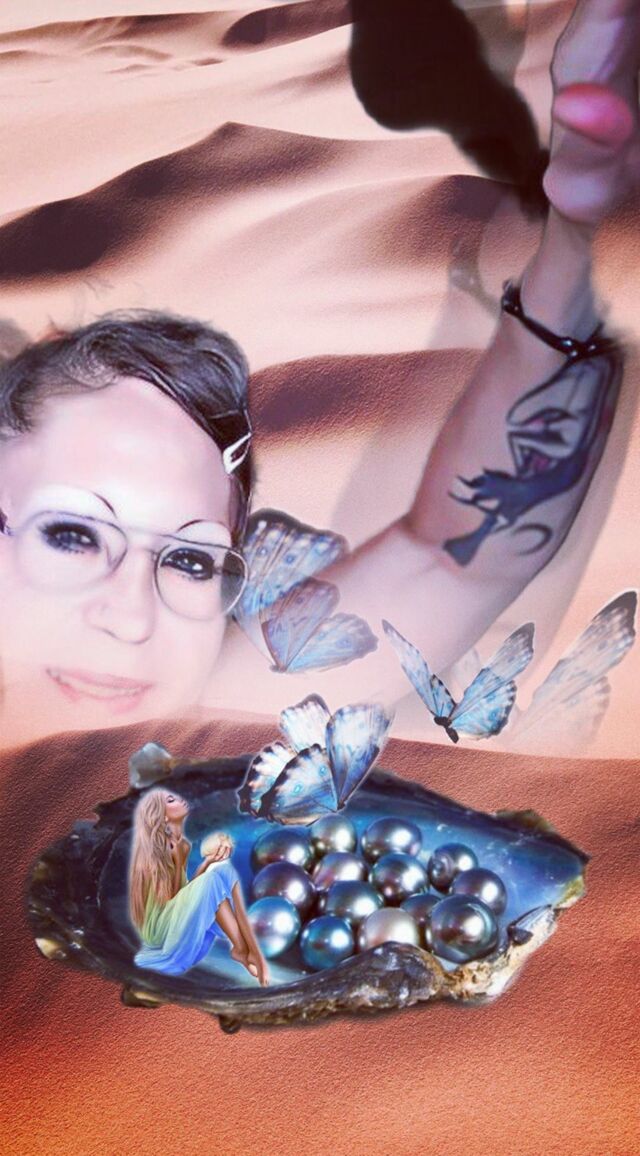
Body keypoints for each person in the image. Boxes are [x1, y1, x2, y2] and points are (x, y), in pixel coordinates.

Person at [0, 0, 637, 747]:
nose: (133, 618)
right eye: (72, 535)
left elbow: (454, 556)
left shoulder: (200, 712)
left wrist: (579, 218)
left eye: (192, 560)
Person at [129, 787, 269, 984]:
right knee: (212, 880)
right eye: (171, 801)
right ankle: (241, 948)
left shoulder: (183, 845)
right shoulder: (157, 848)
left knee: (222, 871)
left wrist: (207, 863)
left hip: (174, 913)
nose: (179, 799)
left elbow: (186, 891)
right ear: (162, 816)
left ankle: (244, 946)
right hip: (159, 927)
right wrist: (202, 869)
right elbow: (172, 898)